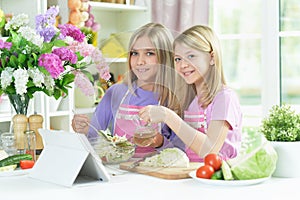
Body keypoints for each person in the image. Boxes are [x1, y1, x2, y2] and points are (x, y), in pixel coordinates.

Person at [72, 23, 185, 157]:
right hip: (119, 172)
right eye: (135, 53)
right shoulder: (116, 92)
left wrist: (159, 142)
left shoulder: (175, 99)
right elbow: (94, 139)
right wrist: (84, 129)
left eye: (149, 53)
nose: (139, 61)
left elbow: (181, 154)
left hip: (157, 175)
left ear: (165, 58)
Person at [138, 25, 243, 162]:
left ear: (212, 57)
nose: (183, 65)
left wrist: (168, 116)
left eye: (191, 56)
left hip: (218, 178)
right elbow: (184, 148)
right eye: (178, 59)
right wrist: (160, 142)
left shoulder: (224, 98)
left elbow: (209, 149)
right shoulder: (190, 100)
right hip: (191, 176)